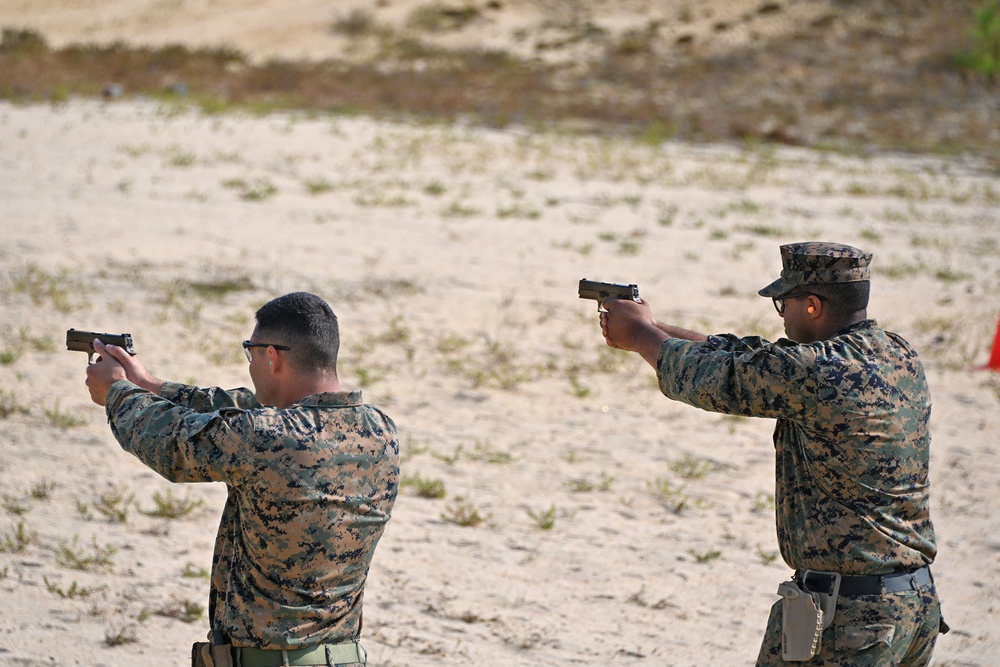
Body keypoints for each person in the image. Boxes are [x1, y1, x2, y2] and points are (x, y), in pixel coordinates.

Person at [598, 242, 946, 666]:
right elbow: (751, 358)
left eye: (785, 303)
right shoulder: (897, 354)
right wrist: (655, 326)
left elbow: (713, 377)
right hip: (912, 609)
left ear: (813, 306)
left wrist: (638, 336)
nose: (781, 316)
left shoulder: (817, 371)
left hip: (852, 621)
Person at [85, 291, 399, 667]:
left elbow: (169, 444)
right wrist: (152, 385)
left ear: (271, 357)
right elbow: (245, 412)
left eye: (250, 354)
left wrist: (117, 392)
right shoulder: (380, 432)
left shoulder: (267, 438)